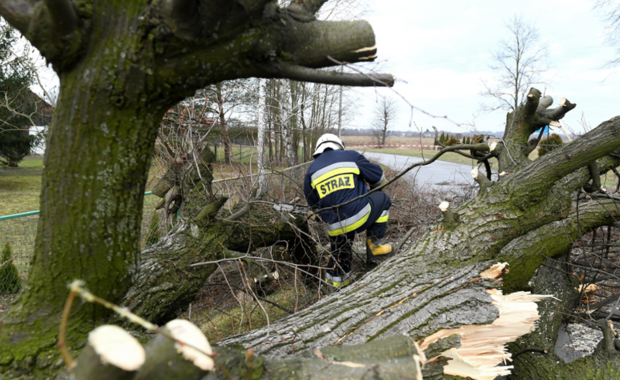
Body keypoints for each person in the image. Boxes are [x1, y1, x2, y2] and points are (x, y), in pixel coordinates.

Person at [304, 133, 394, 289]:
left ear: (318, 151)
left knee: (340, 255)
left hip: (335, 226)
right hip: (360, 215)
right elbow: (379, 178)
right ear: (339, 145)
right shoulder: (350, 156)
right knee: (383, 199)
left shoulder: (311, 171)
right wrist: (370, 193)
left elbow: (314, 205)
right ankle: (375, 247)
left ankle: (336, 286)